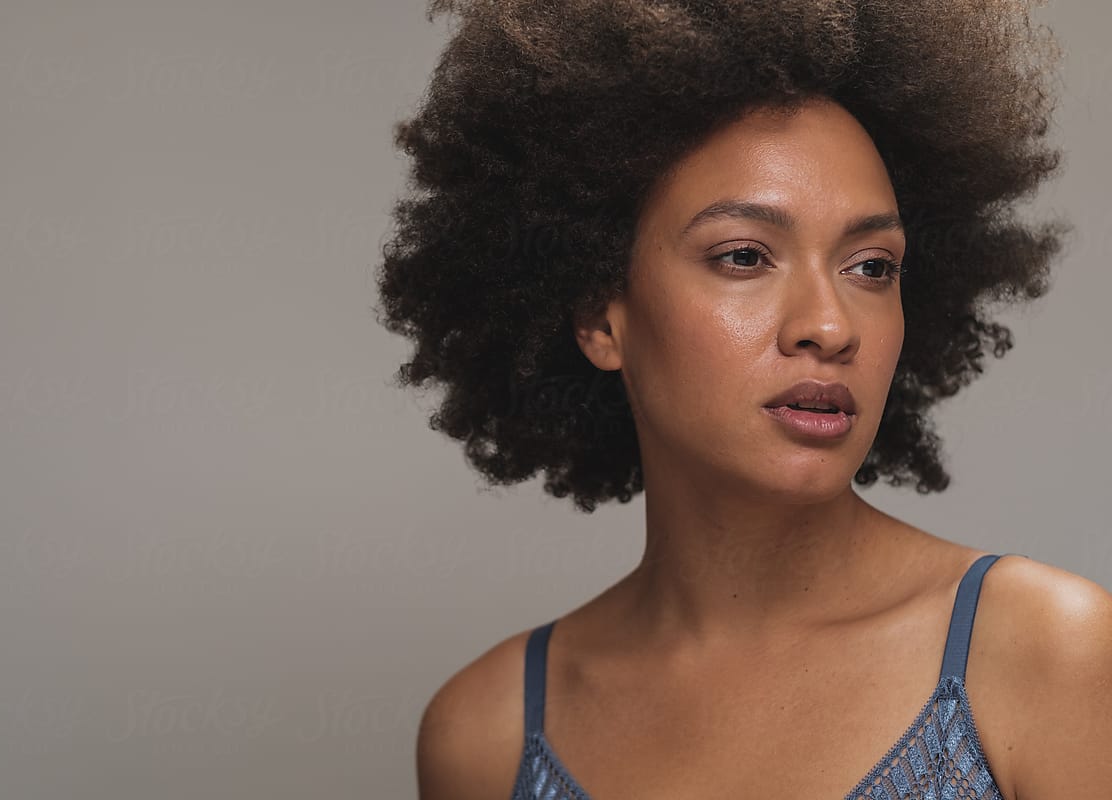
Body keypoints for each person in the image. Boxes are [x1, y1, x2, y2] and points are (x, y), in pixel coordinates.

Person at [373, 1, 1112, 798]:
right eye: (745, 256)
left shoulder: (1046, 655)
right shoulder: (485, 735)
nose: (829, 326)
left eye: (872, 266)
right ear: (598, 315)